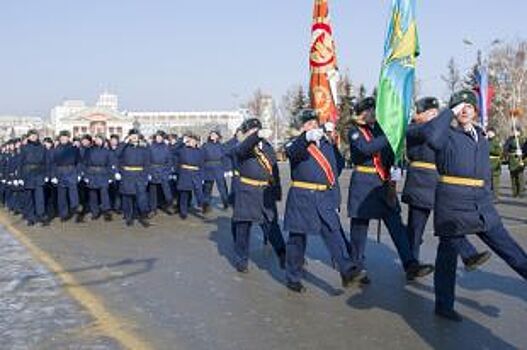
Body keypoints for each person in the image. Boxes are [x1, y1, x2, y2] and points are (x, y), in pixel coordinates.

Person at [421, 90, 527, 321]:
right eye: (460, 107)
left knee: (507, 246)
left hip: (481, 201)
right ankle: (444, 305)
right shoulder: (445, 133)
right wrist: (449, 111)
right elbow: (431, 138)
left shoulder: (480, 135)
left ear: (476, 111)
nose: (465, 109)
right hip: (454, 200)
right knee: (447, 255)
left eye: (469, 106)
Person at [347, 97, 434, 282]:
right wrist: (389, 136)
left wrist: (394, 173)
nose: (373, 113)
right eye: (369, 110)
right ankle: (356, 266)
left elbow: (390, 155)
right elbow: (365, 149)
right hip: (364, 182)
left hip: (383, 183)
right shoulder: (355, 131)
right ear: (362, 113)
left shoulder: (379, 129)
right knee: (359, 229)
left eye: (374, 110)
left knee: (396, 225)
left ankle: (410, 263)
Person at [402, 97, 491, 270]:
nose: (434, 116)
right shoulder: (413, 128)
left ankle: (468, 254)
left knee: (447, 221)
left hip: (437, 181)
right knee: (416, 228)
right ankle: (412, 262)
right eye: (430, 113)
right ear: (418, 115)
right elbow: (429, 132)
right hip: (420, 183)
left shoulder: (441, 129)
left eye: (436, 113)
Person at [283, 110, 363, 293]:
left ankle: (347, 269)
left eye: (314, 123)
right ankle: (293, 276)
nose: (312, 126)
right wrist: (306, 138)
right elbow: (292, 152)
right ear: (301, 127)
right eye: (307, 124)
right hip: (302, 197)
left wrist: (333, 141)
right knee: (297, 239)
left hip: (323, 197)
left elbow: (337, 167)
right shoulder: (295, 142)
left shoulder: (325, 143)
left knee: (333, 232)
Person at [231, 118, 286, 274]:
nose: (255, 133)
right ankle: (241, 259)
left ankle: (283, 254)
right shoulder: (242, 147)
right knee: (243, 227)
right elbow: (244, 149)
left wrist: (277, 190)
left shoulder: (267, 148)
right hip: (247, 191)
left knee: (272, 225)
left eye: (257, 130)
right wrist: (256, 136)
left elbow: (274, 171)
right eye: (252, 131)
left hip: (265, 193)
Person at [114, 129, 151, 227]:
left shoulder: (143, 148)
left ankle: (143, 216)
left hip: (139, 175)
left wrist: (146, 176)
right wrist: (123, 143)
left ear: (138, 137)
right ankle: (128, 217)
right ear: (129, 137)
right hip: (127, 175)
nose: (134, 137)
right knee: (127, 197)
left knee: (141, 197)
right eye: (132, 135)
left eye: (136, 135)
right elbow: (116, 155)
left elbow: (147, 163)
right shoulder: (124, 147)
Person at [17, 130, 49, 226]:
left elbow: (46, 162)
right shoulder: (24, 147)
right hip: (28, 174)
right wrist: (20, 177)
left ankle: (40, 218)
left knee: (40, 198)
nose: (33, 137)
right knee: (29, 197)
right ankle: (30, 218)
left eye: (35, 135)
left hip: (39, 174)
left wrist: (46, 175)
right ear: (28, 137)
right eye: (31, 136)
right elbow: (20, 162)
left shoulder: (42, 147)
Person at [48, 130, 81, 222]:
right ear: (60, 138)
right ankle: (63, 214)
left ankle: (75, 207)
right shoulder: (55, 150)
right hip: (60, 172)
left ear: (68, 138)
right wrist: (53, 176)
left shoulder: (74, 148)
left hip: (71, 171)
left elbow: (79, 162)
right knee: (61, 195)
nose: (63, 139)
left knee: (73, 191)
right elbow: (52, 163)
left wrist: (79, 173)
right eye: (62, 137)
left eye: (65, 137)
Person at [81, 134, 115, 221]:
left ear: (103, 141)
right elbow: (84, 164)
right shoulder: (89, 151)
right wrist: (85, 175)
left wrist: (111, 176)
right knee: (93, 194)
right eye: (96, 139)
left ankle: (106, 212)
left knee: (104, 194)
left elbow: (110, 164)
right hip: (91, 174)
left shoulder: (107, 151)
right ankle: (94, 212)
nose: (97, 141)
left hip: (103, 174)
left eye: (100, 139)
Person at [175, 133, 205, 219]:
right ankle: (183, 212)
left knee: (199, 192)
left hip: (196, 173)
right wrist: (182, 141)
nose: (192, 142)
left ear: (196, 142)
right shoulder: (183, 149)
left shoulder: (200, 151)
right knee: (184, 194)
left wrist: (202, 176)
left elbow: (202, 165)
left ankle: (202, 206)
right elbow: (173, 150)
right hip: (185, 173)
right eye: (190, 140)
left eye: (193, 141)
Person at [148, 130, 175, 216]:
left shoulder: (166, 147)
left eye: (160, 137)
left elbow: (170, 161)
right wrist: (149, 172)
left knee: (167, 191)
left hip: (163, 171)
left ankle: (169, 205)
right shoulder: (150, 147)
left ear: (163, 138)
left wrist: (168, 171)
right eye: (157, 137)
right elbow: (147, 160)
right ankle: (153, 209)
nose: (158, 138)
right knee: (153, 192)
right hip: (153, 170)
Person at [202, 130, 229, 211]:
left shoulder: (221, 146)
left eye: (214, 134)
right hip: (208, 167)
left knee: (222, 187)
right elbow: (201, 157)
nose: (212, 135)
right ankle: (206, 205)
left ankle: (225, 202)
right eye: (211, 134)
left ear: (218, 136)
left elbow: (225, 157)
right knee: (207, 188)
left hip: (218, 167)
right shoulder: (205, 146)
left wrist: (227, 169)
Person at [504, 128, 525, 198]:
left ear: (519, 132)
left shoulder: (522, 139)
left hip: (520, 159)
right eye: (513, 131)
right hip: (512, 159)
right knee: (513, 177)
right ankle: (514, 192)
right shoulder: (509, 139)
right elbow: (505, 148)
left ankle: (521, 192)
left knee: (520, 178)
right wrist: (507, 154)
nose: (514, 132)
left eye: (516, 131)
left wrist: (521, 152)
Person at [487, 127, 503, 200]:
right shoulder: (487, 140)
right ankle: (490, 196)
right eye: (488, 132)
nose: (488, 133)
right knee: (489, 181)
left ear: (493, 133)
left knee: (495, 182)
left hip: (495, 163)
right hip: (488, 163)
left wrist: (490, 150)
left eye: (489, 132)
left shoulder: (497, 141)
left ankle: (495, 197)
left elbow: (499, 152)